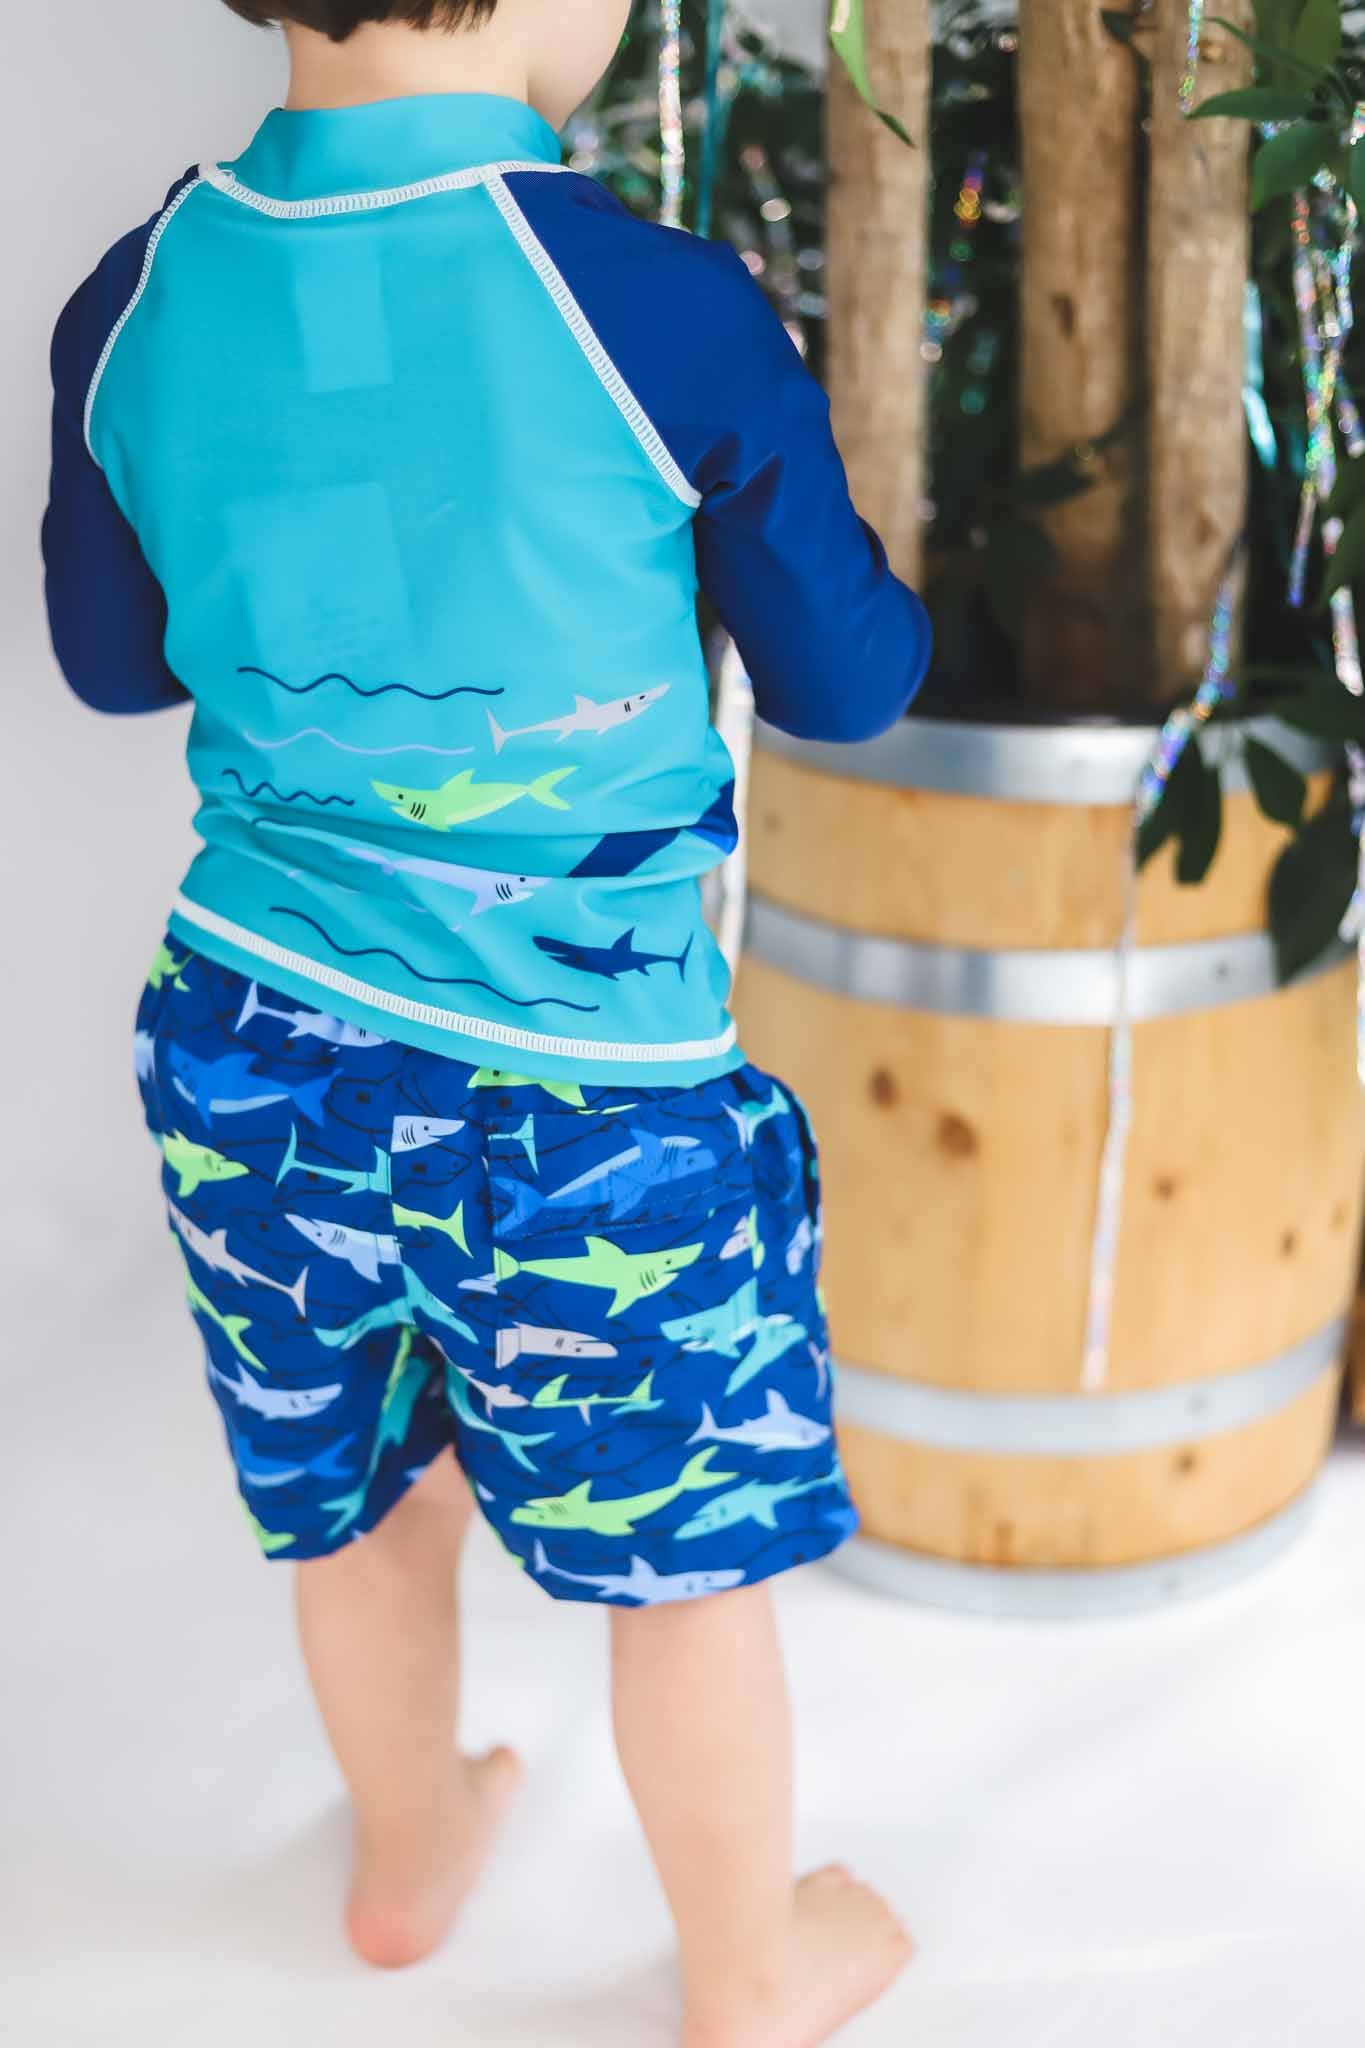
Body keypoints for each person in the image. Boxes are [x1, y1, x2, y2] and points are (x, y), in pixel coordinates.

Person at [41, 3, 930, 2041]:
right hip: (587, 1096)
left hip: (248, 1050)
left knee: (356, 1500)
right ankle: (747, 1973)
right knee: (683, 1566)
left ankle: (406, 1851)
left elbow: (108, 660)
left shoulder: (137, 293)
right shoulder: (653, 305)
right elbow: (847, 684)